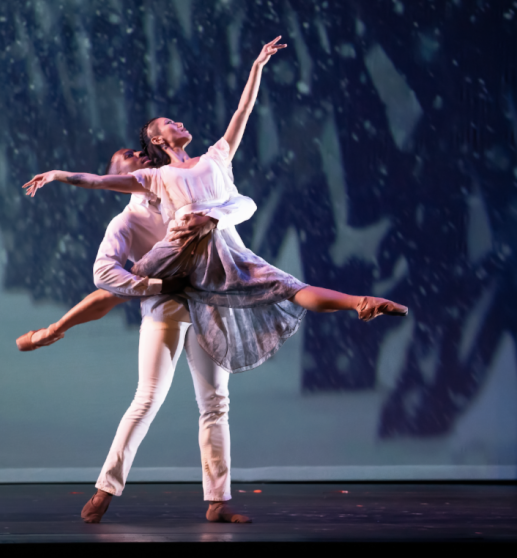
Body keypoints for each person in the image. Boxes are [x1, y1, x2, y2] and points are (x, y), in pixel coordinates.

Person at [22, 36, 408, 373]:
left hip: (222, 248)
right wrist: (58, 175)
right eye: (170, 123)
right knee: (115, 289)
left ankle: (359, 303)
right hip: (180, 249)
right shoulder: (156, 178)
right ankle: (55, 330)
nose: (179, 123)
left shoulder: (216, 157)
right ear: (158, 140)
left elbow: (243, 112)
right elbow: (98, 181)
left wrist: (257, 67)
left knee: (285, 285)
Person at [20, 146, 255, 523]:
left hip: (209, 304)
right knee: (147, 399)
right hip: (165, 308)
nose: (141, 156)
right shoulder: (126, 222)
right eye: (130, 154)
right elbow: (105, 276)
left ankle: (218, 500)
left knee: (216, 402)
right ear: (117, 175)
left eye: (142, 152)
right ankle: (105, 488)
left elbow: (237, 203)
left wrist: (215, 218)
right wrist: (156, 284)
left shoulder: (180, 192)